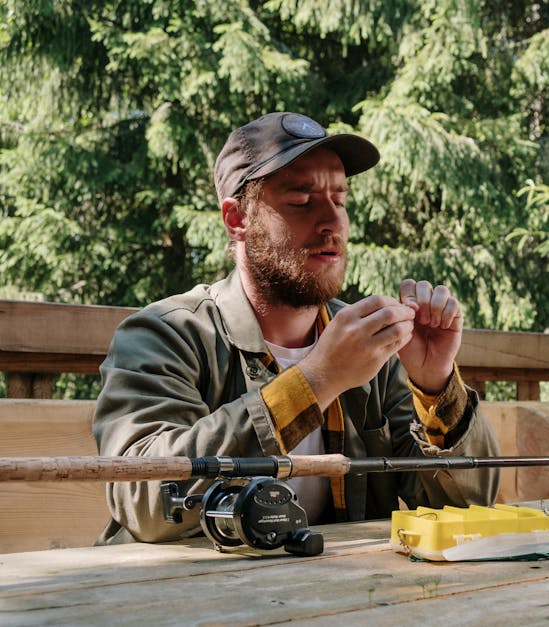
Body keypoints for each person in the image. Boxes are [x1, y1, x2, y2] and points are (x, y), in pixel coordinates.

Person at [93, 112, 500, 544]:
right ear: (236, 219)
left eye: (340, 199)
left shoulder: (373, 349)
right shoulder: (166, 335)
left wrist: (435, 385)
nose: (332, 221)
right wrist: (318, 380)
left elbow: (467, 511)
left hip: (327, 598)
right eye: (302, 200)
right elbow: (145, 499)